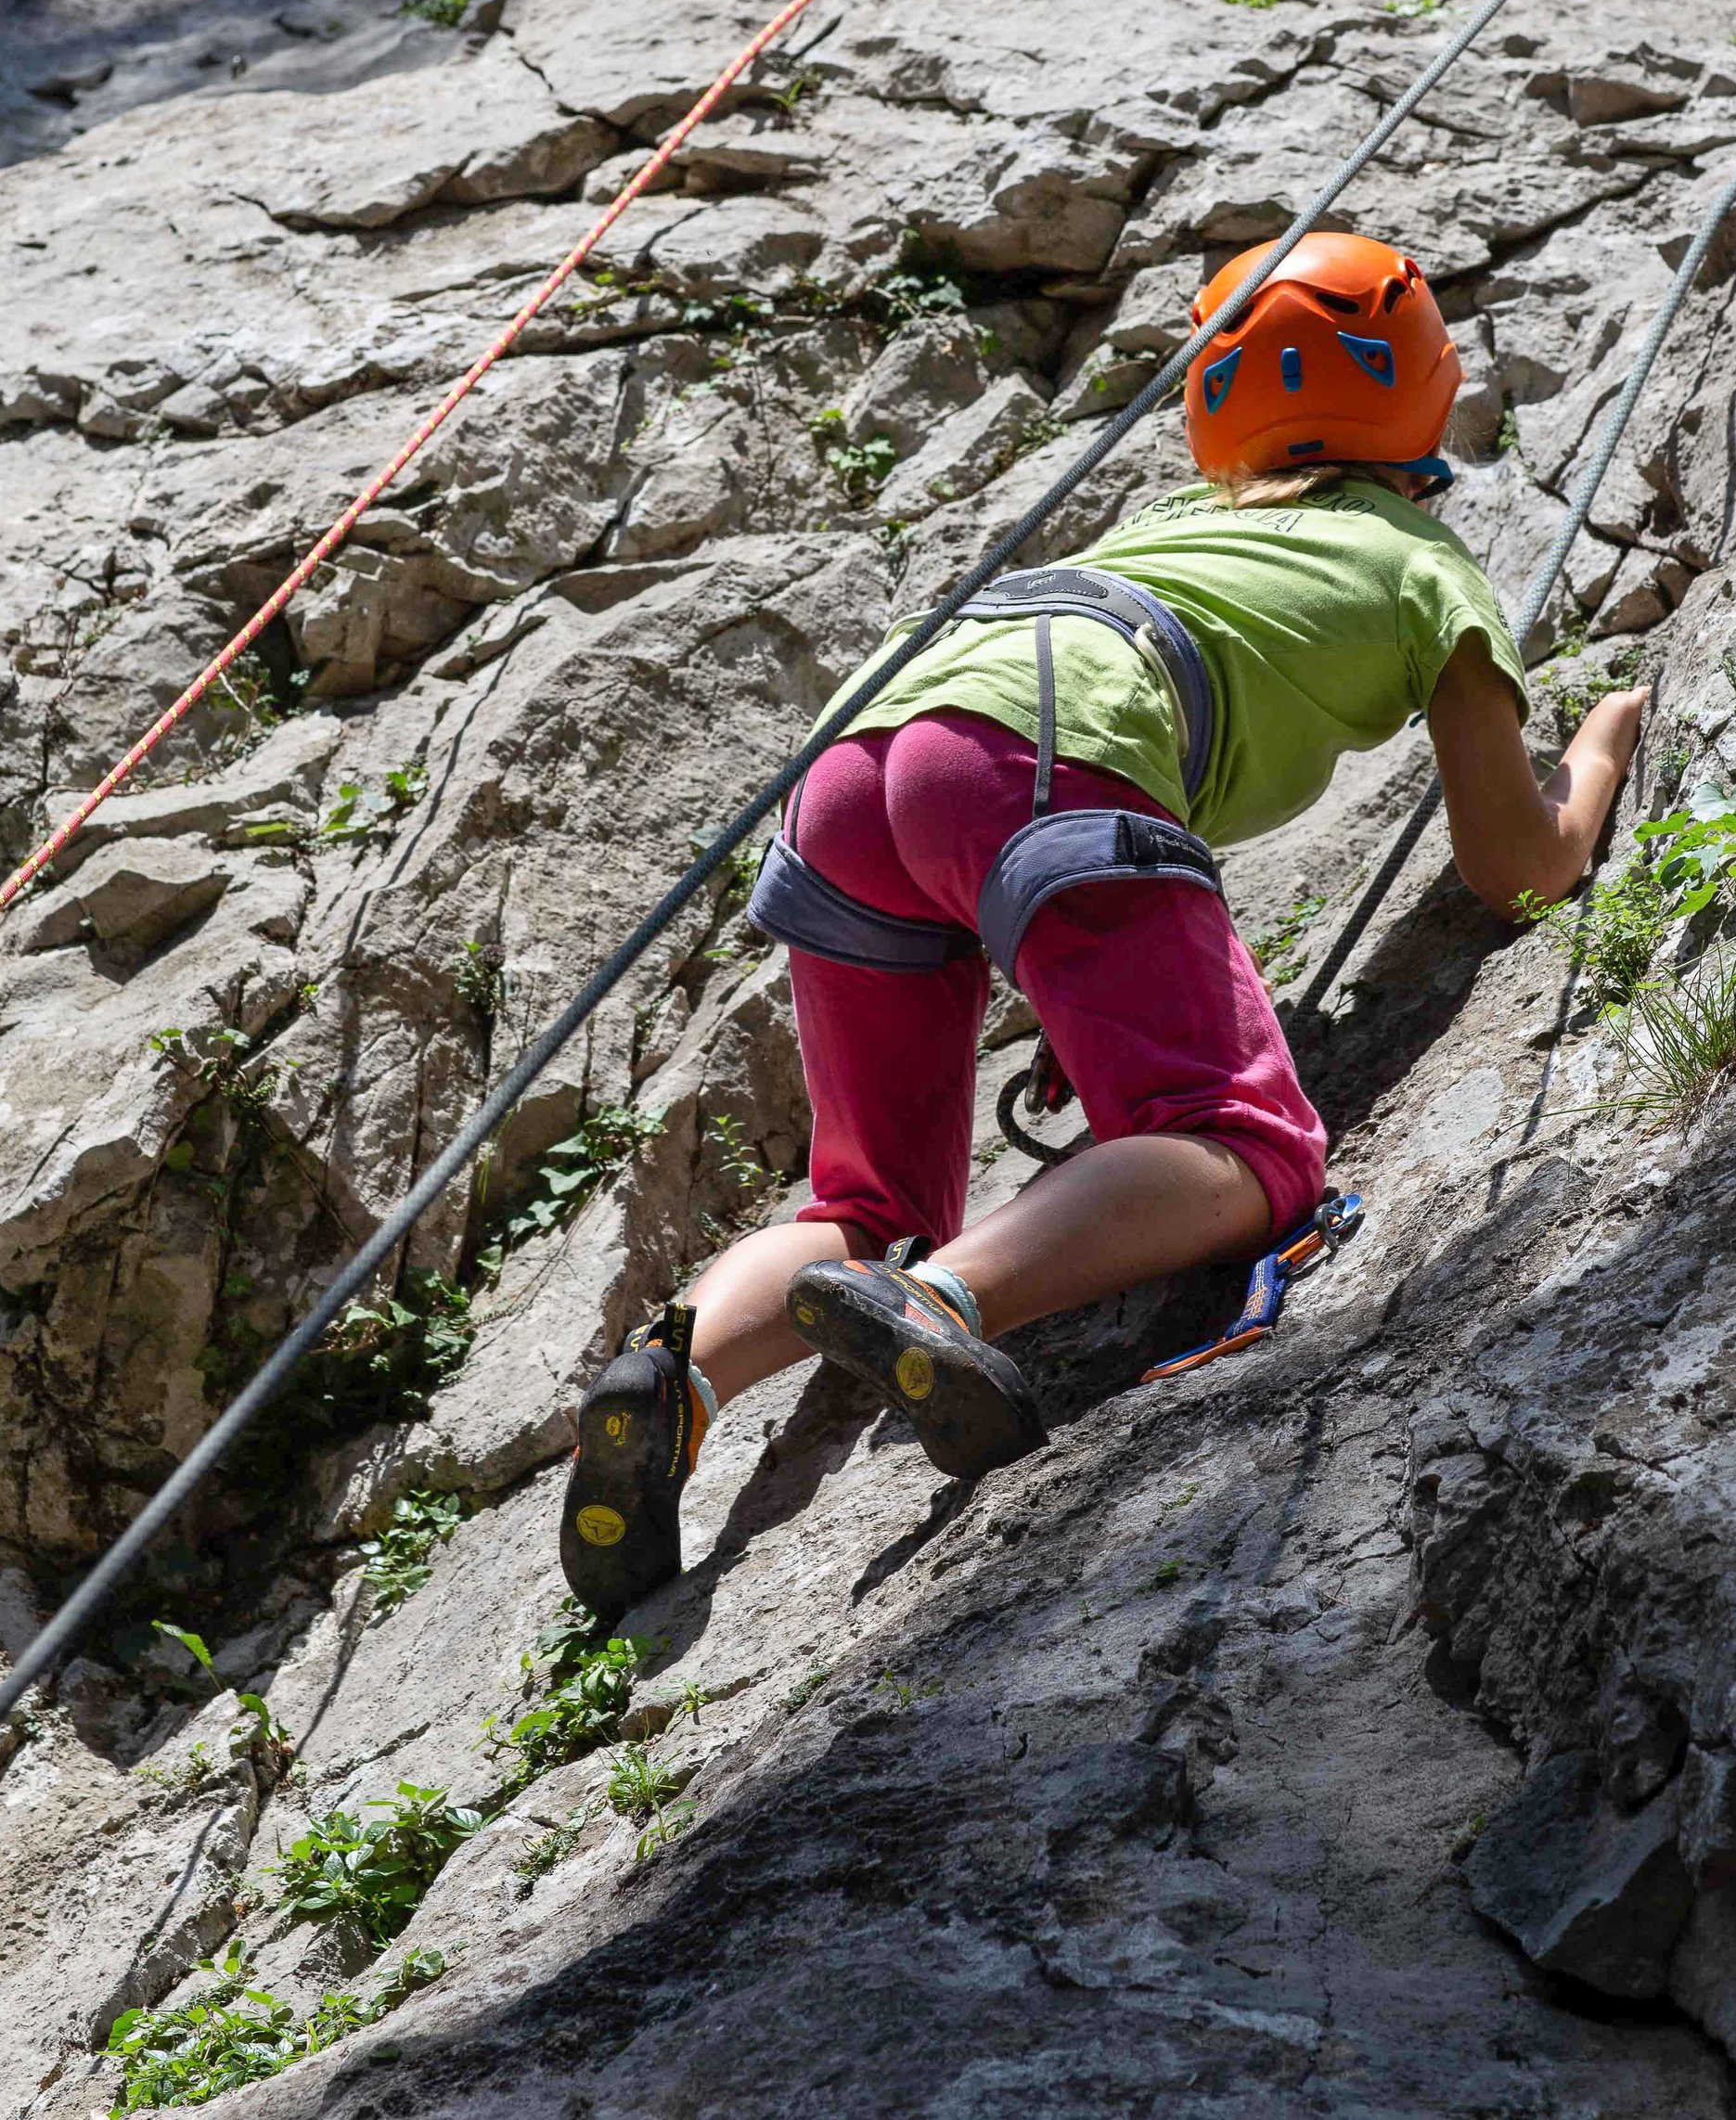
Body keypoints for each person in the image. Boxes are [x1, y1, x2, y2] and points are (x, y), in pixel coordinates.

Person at [559, 232, 1646, 1613]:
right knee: (1248, 1143)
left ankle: (679, 1365)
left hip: (871, 753)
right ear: (1424, 388)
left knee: (864, 1199)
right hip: (1043, 749)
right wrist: (1599, 754)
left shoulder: (1176, 528)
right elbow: (1517, 866)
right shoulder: (1423, 560)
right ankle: (947, 1302)